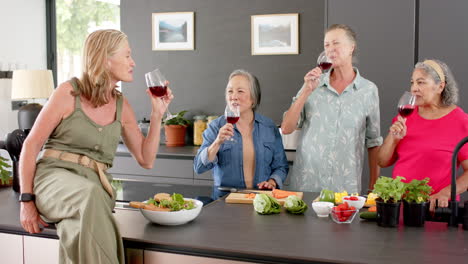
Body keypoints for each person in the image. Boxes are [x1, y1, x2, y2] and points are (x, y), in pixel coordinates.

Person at [19, 29, 173, 263]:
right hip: (53, 179)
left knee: (79, 227)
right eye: (127, 56)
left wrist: (157, 114)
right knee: (91, 197)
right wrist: (26, 201)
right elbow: (31, 146)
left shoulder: (122, 105)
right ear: (105, 58)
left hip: (93, 189)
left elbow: (146, 159)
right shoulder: (68, 92)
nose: (133, 63)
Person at [281, 24, 382, 194]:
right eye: (326, 45)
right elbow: (286, 127)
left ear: (351, 47)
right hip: (307, 185)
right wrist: (306, 90)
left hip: (345, 188)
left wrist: (373, 187)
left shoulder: (368, 90)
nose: (330, 49)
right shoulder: (313, 84)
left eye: (336, 43)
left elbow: (373, 142)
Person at [377, 59, 468, 211]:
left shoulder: (461, 121)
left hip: (435, 210)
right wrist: (393, 139)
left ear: (440, 86)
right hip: (399, 208)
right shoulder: (406, 116)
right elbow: (382, 161)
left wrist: (445, 194)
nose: (414, 88)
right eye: (412, 83)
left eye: (421, 82)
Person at [194, 69, 289, 199]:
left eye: (240, 91)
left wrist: (272, 182)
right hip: (225, 201)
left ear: (253, 99)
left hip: (261, 200)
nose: (234, 96)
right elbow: (198, 167)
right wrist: (217, 143)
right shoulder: (216, 127)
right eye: (230, 91)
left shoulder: (269, 126)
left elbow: (281, 166)